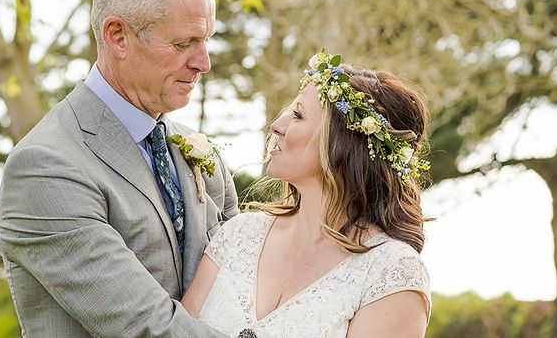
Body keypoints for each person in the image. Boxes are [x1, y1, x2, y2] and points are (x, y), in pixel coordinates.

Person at [0, 0, 239, 337]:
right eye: (182, 44)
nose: (203, 63)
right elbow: (148, 326)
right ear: (118, 37)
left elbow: (247, 279)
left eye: (206, 40)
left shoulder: (196, 151)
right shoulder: (46, 167)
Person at [182, 50, 432, 338]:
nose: (277, 125)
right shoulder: (240, 234)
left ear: (342, 146)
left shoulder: (391, 272)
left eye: (298, 115)